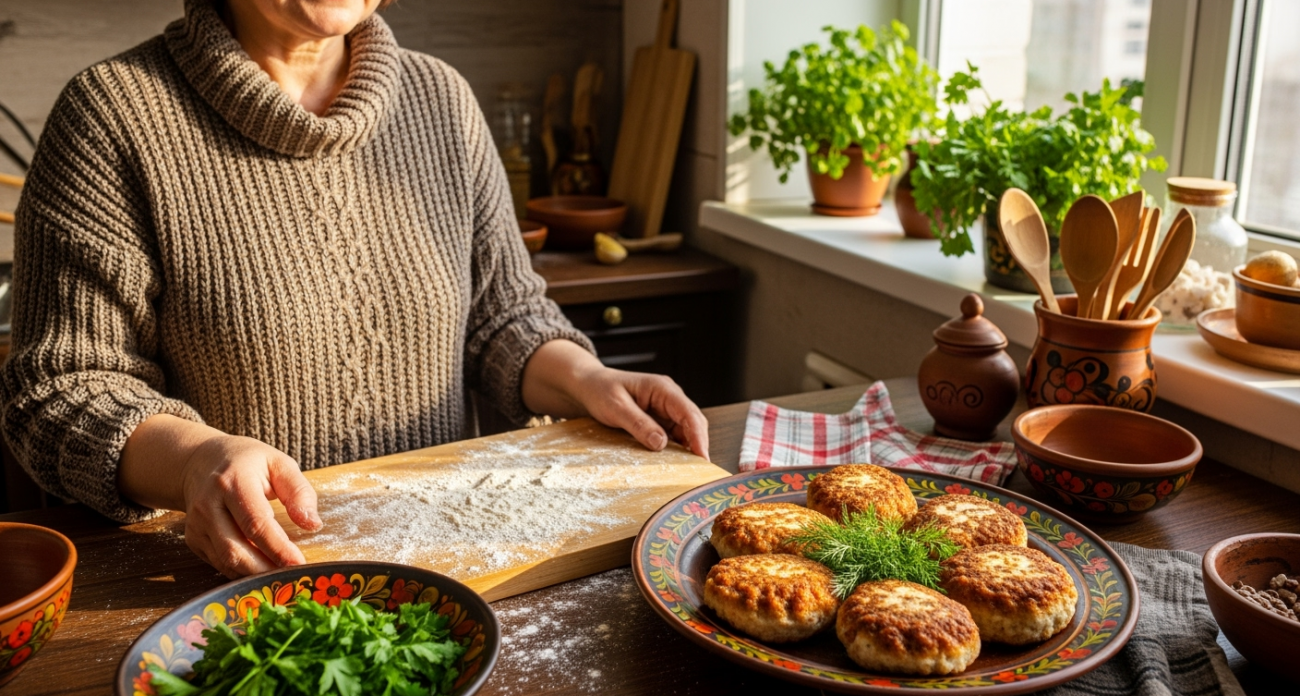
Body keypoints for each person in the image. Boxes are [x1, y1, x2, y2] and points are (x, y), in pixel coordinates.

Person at [1, 0, 708, 579]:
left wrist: (589, 379)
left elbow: (502, 317)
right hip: (233, 584)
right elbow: (60, 391)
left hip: (448, 566)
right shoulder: (111, 116)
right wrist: (194, 462)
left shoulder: (442, 101)